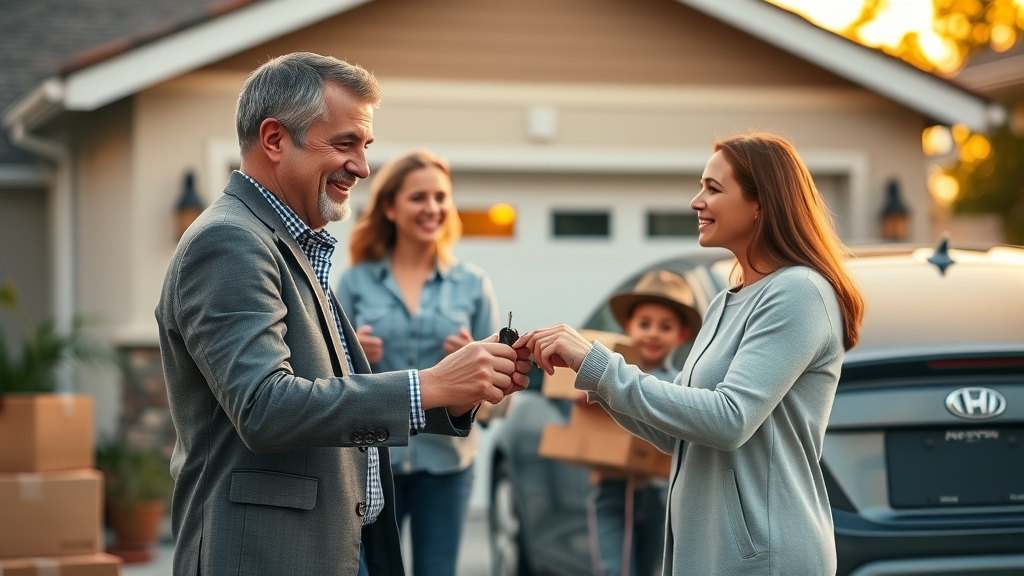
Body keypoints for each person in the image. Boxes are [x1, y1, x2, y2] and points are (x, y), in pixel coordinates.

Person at [155, 52, 530, 576]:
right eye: (344, 144)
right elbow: (265, 407)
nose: (362, 166)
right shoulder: (230, 242)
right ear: (274, 139)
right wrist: (430, 385)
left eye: (365, 146)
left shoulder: (288, 241)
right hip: (267, 555)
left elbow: (329, 395)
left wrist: (459, 390)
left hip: (327, 545)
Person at [519, 132, 864, 576]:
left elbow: (729, 419)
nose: (696, 201)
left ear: (762, 203)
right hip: (707, 555)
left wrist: (600, 363)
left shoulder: (797, 293)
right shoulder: (726, 301)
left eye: (713, 189)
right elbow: (673, 433)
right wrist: (587, 373)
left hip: (766, 558)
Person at [336, 149, 497, 576]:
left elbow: (501, 400)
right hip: (372, 459)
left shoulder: (474, 285)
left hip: (446, 464)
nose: (433, 208)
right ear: (389, 207)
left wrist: (473, 370)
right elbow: (328, 381)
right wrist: (355, 357)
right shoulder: (353, 282)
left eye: (441, 197)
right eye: (418, 197)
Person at [589, 270, 700, 576]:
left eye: (665, 327)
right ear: (628, 327)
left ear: (681, 336)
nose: (653, 333)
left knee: (655, 567)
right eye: (644, 324)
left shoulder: (681, 386)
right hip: (612, 488)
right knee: (613, 568)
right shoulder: (605, 379)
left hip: (661, 493)